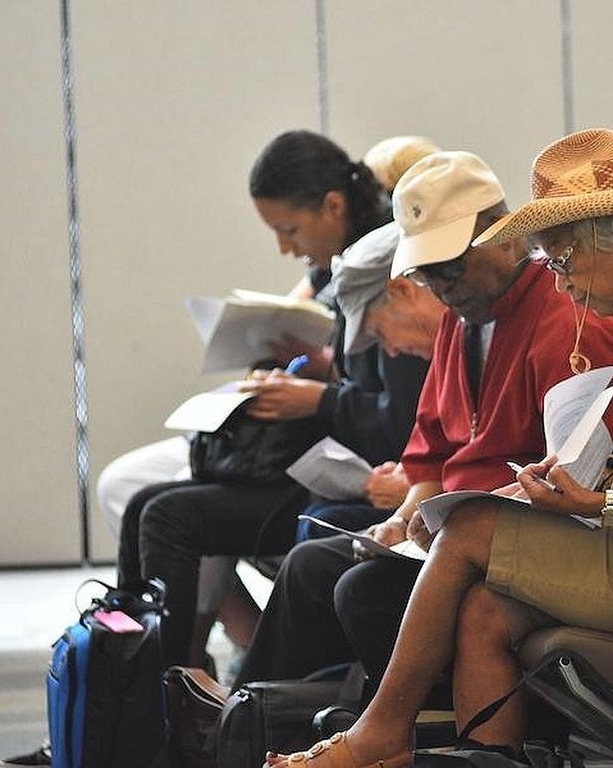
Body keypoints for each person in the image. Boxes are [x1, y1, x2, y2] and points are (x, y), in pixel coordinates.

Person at [266, 128, 613, 768]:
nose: (558, 282)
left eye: (562, 259)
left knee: (469, 527)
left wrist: (601, 499)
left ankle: (380, 734)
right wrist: (583, 492)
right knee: (485, 609)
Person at [232, 150, 613, 690]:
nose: (444, 286)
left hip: (521, 538)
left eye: (451, 266)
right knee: (310, 567)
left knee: (363, 592)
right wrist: (403, 519)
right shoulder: (467, 316)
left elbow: (586, 477)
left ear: (507, 236)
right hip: (459, 531)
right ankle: (256, 715)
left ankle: (388, 728)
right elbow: (432, 452)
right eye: (429, 274)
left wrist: (455, 521)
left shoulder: (569, 320)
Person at [116, 131, 434, 671]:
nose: (286, 247)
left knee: (168, 515)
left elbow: (402, 423)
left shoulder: (394, 279)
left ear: (334, 205)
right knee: (146, 506)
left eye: (290, 229)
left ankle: (173, 696)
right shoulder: (350, 268)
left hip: (346, 466)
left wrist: (318, 400)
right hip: (332, 460)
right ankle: (132, 695)